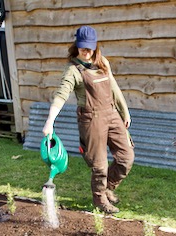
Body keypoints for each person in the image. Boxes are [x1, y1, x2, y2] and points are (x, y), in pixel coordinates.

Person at [42, 25, 134, 214]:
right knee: (99, 164)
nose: (86, 52)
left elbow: (114, 88)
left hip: (111, 114)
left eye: (90, 47)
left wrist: (124, 113)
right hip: (91, 119)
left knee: (126, 158)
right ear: (76, 45)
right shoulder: (73, 70)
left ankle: (108, 187)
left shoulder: (102, 62)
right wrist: (50, 121)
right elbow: (61, 95)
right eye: (83, 47)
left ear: (95, 45)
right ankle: (99, 199)